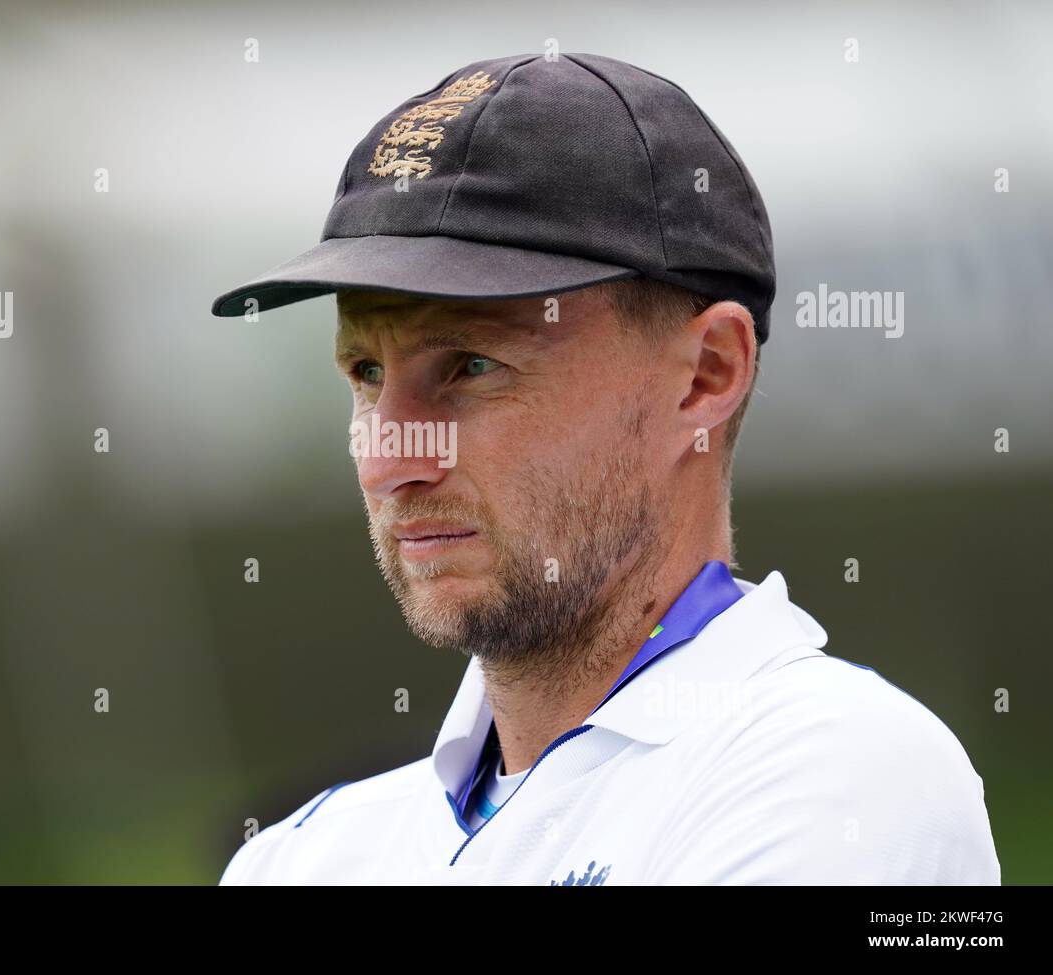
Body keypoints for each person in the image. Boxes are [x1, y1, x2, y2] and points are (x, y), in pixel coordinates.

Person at [210, 53, 1001, 884]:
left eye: (472, 365)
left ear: (705, 376)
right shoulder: (296, 858)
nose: (388, 459)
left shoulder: (848, 775)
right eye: (367, 374)